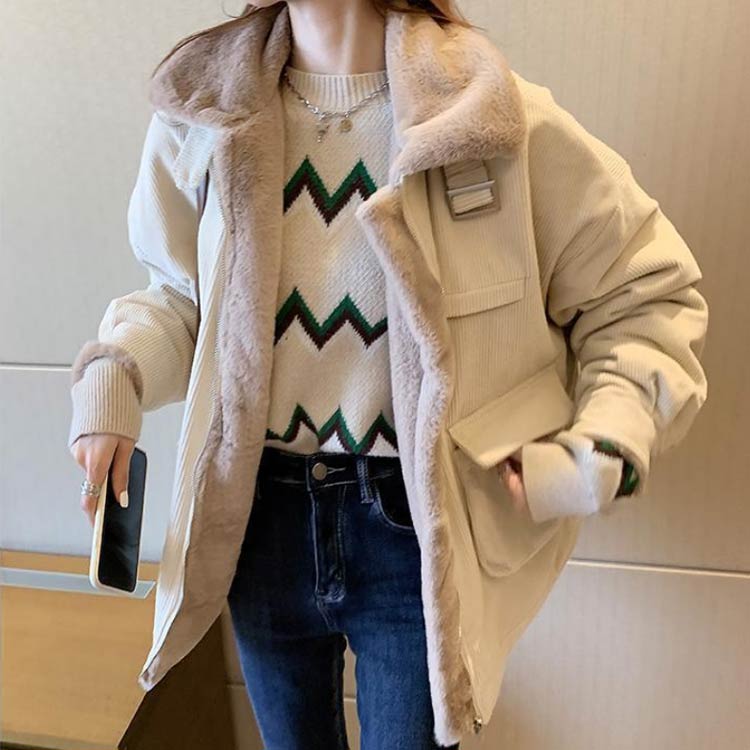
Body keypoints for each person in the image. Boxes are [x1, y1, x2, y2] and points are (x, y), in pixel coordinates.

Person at [67, 1, 709, 748]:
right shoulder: (204, 115)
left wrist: (607, 438)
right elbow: (183, 300)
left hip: (411, 530)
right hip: (257, 520)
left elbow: (644, 292)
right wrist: (116, 379)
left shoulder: (487, 117)